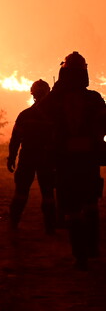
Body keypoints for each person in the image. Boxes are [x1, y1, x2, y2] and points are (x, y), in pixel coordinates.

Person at [42, 51, 106, 269]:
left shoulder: (55, 99)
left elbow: (42, 112)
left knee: (73, 208)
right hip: (89, 160)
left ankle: (80, 256)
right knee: (90, 203)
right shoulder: (94, 98)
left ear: (63, 72)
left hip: (65, 160)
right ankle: (93, 248)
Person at [7, 79, 56, 233]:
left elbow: (15, 139)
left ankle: (13, 224)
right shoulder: (55, 117)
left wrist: (11, 158)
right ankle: (50, 227)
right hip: (47, 159)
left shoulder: (25, 115)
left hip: (27, 158)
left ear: (32, 94)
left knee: (21, 193)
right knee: (48, 194)